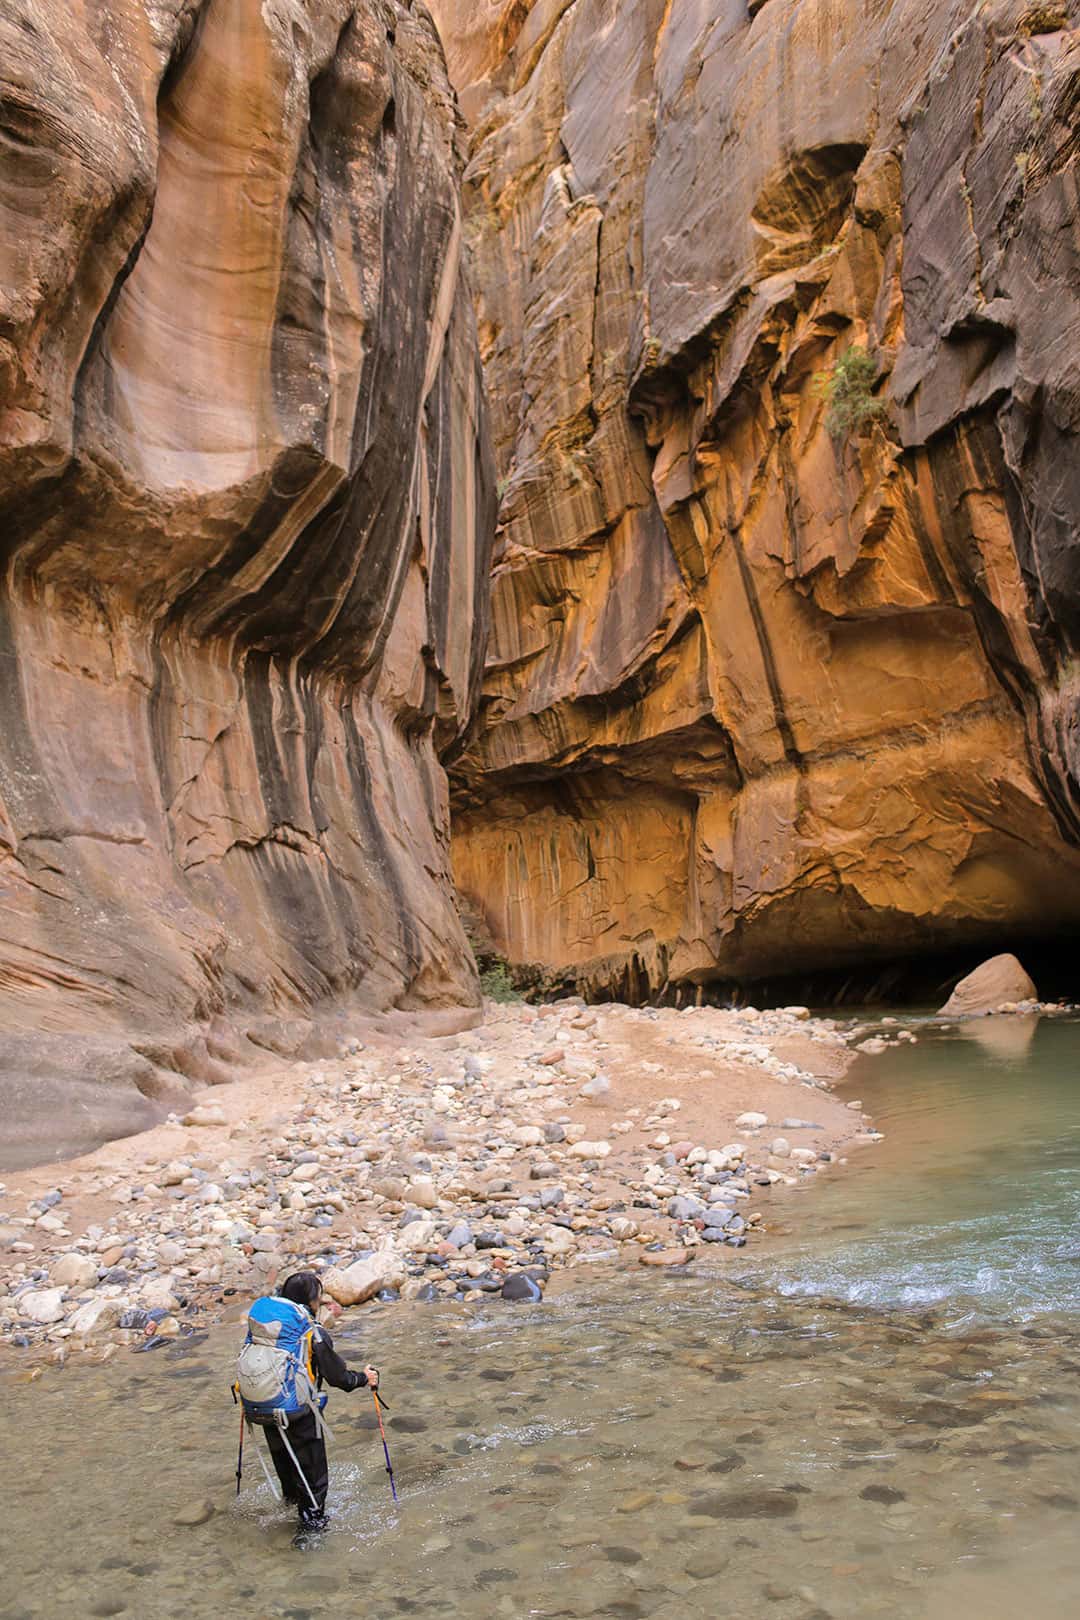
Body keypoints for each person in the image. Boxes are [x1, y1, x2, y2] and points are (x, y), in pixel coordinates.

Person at [237, 1270, 379, 1543]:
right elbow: (340, 1378)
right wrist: (365, 1378)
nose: (321, 1302)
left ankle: (287, 1512)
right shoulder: (312, 1334)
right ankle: (310, 1539)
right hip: (299, 1414)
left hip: (264, 1408)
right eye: (319, 1296)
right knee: (313, 1480)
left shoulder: (266, 1329)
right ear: (310, 1300)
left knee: (287, 1471)